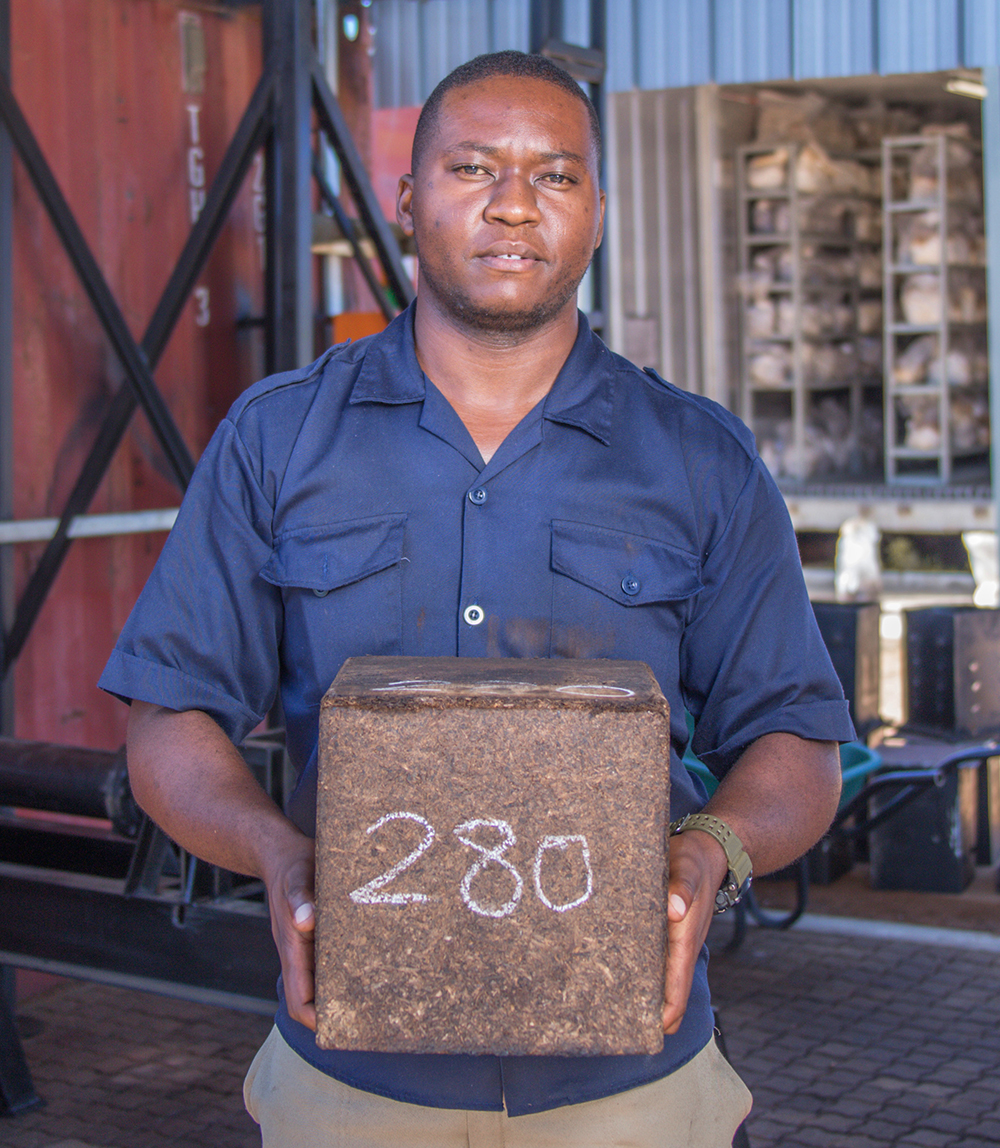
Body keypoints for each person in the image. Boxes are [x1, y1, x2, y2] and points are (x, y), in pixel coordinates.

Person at [100, 49, 853, 1148]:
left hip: (632, 1090)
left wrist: (712, 849)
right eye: (472, 167)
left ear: (596, 210)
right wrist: (274, 850)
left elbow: (797, 736)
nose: (512, 204)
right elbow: (167, 714)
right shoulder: (278, 439)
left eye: (553, 174)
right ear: (406, 200)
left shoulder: (700, 459)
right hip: (353, 1086)